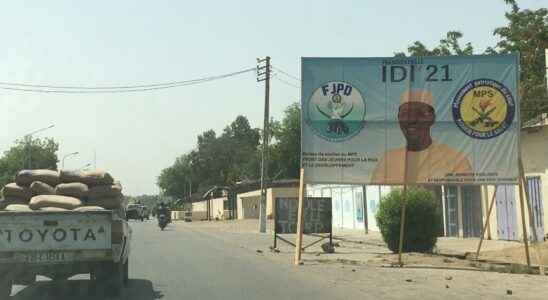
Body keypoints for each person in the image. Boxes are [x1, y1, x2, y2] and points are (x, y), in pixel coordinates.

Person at [371, 89, 472, 184]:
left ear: (432, 118)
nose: (412, 120)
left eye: (420, 113)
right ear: (398, 118)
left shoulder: (455, 160)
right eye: (405, 114)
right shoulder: (388, 160)